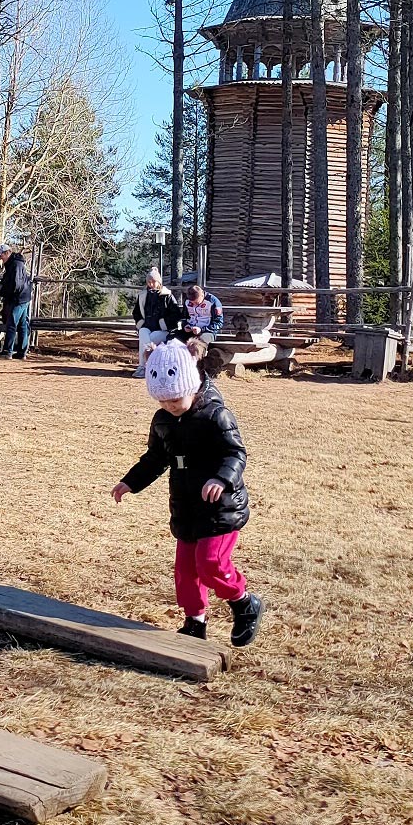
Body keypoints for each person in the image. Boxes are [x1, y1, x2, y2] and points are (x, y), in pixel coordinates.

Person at [112, 339, 263, 647]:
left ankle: (244, 602)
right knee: (185, 571)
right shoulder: (163, 420)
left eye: (175, 398)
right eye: (162, 400)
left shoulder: (216, 415)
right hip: (186, 506)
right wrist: (131, 482)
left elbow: (235, 453)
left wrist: (221, 479)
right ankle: (195, 622)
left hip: (220, 508)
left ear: (191, 385)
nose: (170, 405)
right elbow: (155, 458)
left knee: (210, 564)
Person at [131, 267, 179, 376]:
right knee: (142, 332)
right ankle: (143, 367)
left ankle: (144, 366)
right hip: (147, 326)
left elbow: (175, 314)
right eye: (149, 282)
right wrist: (141, 323)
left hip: (163, 330)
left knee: (149, 339)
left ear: (159, 282)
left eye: (153, 281)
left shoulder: (167, 296)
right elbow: (136, 313)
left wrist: (164, 323)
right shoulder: (142, 296)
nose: (151, 284)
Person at [0, 243, 33, 360]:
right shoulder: (13, 263)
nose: (0, 258)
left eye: (1, 255)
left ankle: (8, 351)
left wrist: (3, 292)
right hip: (23, 297)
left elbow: (15, 285)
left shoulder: (15, 264)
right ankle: (22, 352)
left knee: (11, 323)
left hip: (18, 298)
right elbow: (8, 279)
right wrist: (2, 284)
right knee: (22, 325)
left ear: (7, 253)